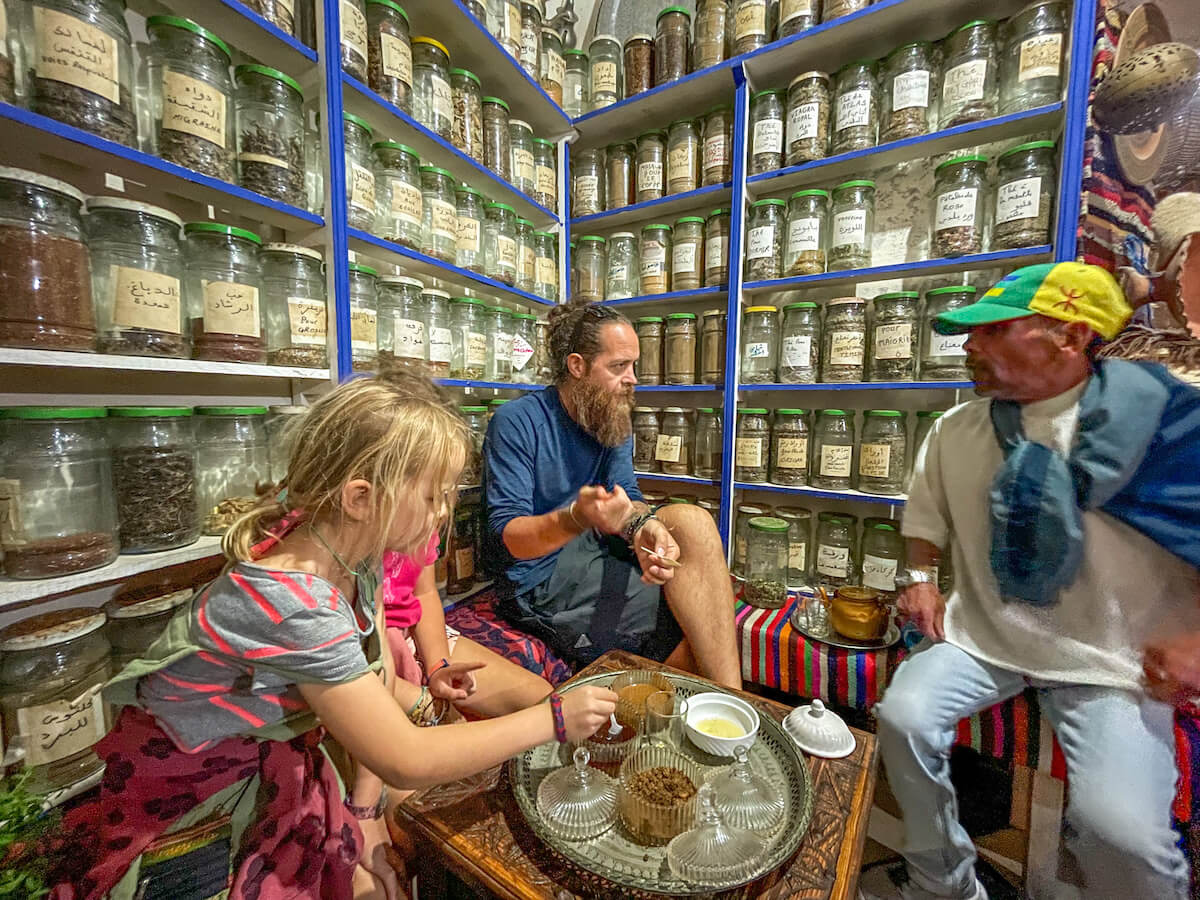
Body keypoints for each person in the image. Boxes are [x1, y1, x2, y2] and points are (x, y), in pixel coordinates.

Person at [47, 376, 617, 900]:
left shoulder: (353, 558)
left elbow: (374, 681)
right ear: (361, 497)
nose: (443, 513)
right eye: (433, 496)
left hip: (280, 761)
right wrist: (554, 719)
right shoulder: (295, 604)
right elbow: (406, 757)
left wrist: (377, 784)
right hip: (196, 805)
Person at [863, 263, 1200, 900]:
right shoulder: (956, 431)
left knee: (1122, 832)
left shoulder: (1165, 427)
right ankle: (944, 881)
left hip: (1110, 664)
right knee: (904, 718)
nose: (969, 346)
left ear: (1070, 337)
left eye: (993, 331)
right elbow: (924, 515)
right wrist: (920, 578)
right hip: (983, 640)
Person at [483, 300, 742, 688]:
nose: (633, 378)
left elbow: (629, 496)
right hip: (542, 575)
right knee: (698, 624)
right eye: (618, 367)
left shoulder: (611, 415)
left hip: (597, 547)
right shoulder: (517, 422)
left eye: (633, 365)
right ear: (577, 366)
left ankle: (733, 703)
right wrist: (577, 518)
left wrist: (643, 527)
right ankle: (721, 709)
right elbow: (510, 538)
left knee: (692, 520)